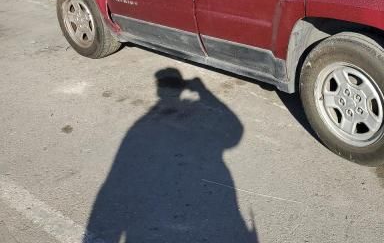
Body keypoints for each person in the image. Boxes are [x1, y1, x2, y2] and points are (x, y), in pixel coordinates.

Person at [84, 68, 258, 242]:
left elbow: (114, 181)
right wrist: (203, 92)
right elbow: (235, 131)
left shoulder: (139, 126)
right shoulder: (142, 126)